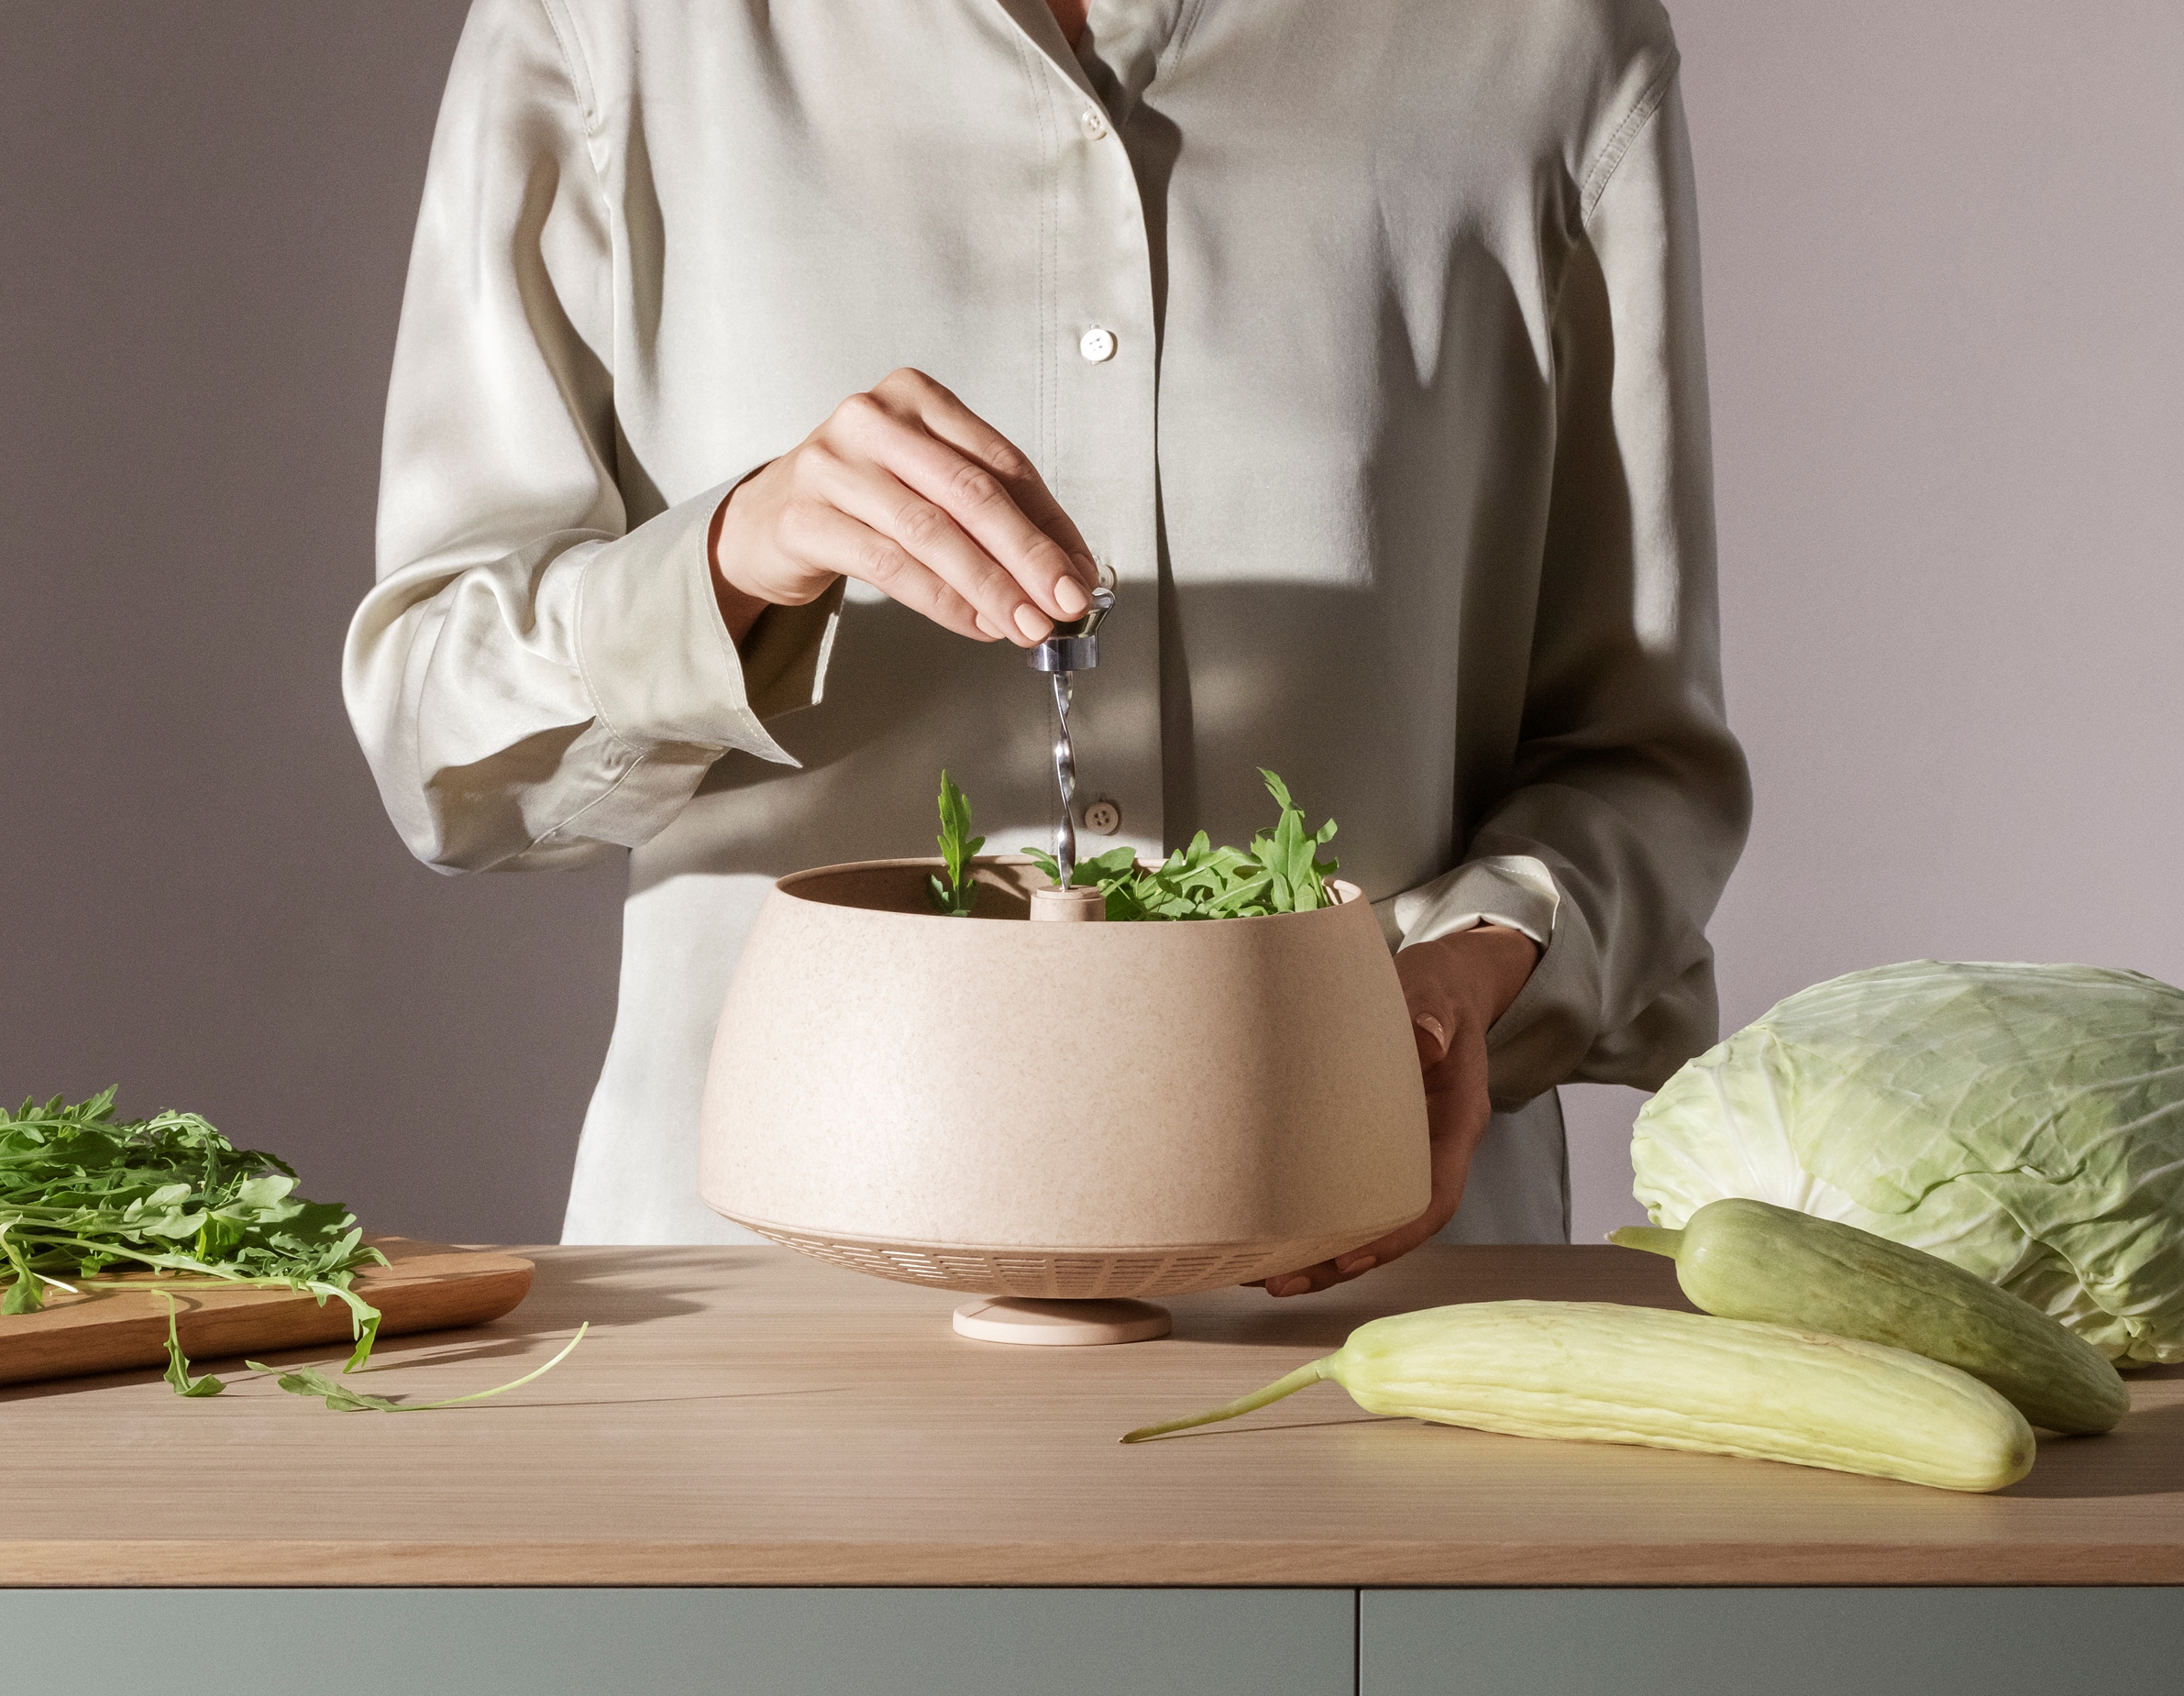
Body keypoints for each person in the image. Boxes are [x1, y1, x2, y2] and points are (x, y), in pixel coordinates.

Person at [343, 0, 1748, 1294]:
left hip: (1354, 1304)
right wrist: (734, 557)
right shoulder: (616, 30)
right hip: (769, 1312)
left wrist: (1478, 965)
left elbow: (1641, 765)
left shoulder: (1544, 41)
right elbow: (435, 740)